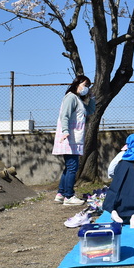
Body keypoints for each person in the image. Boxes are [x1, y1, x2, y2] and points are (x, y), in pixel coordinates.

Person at [52, 75, 95, 206]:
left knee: (69, 167)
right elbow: (64, 115)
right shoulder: (71, 97)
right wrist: (65, 131)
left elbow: (89, 111)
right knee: (72, 167)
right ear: (77, 83)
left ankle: (61, 193)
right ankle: (69, 196)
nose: (86, 88)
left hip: (73, 138)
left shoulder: (78, 99)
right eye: (85, 85)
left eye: (88, 86)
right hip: (69, 137)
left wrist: (92, 98)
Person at [102, 133, 134, 228]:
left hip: (117, 200)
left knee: (117, 193)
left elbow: (111, 170)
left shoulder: (121, 161)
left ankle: (114, 211)